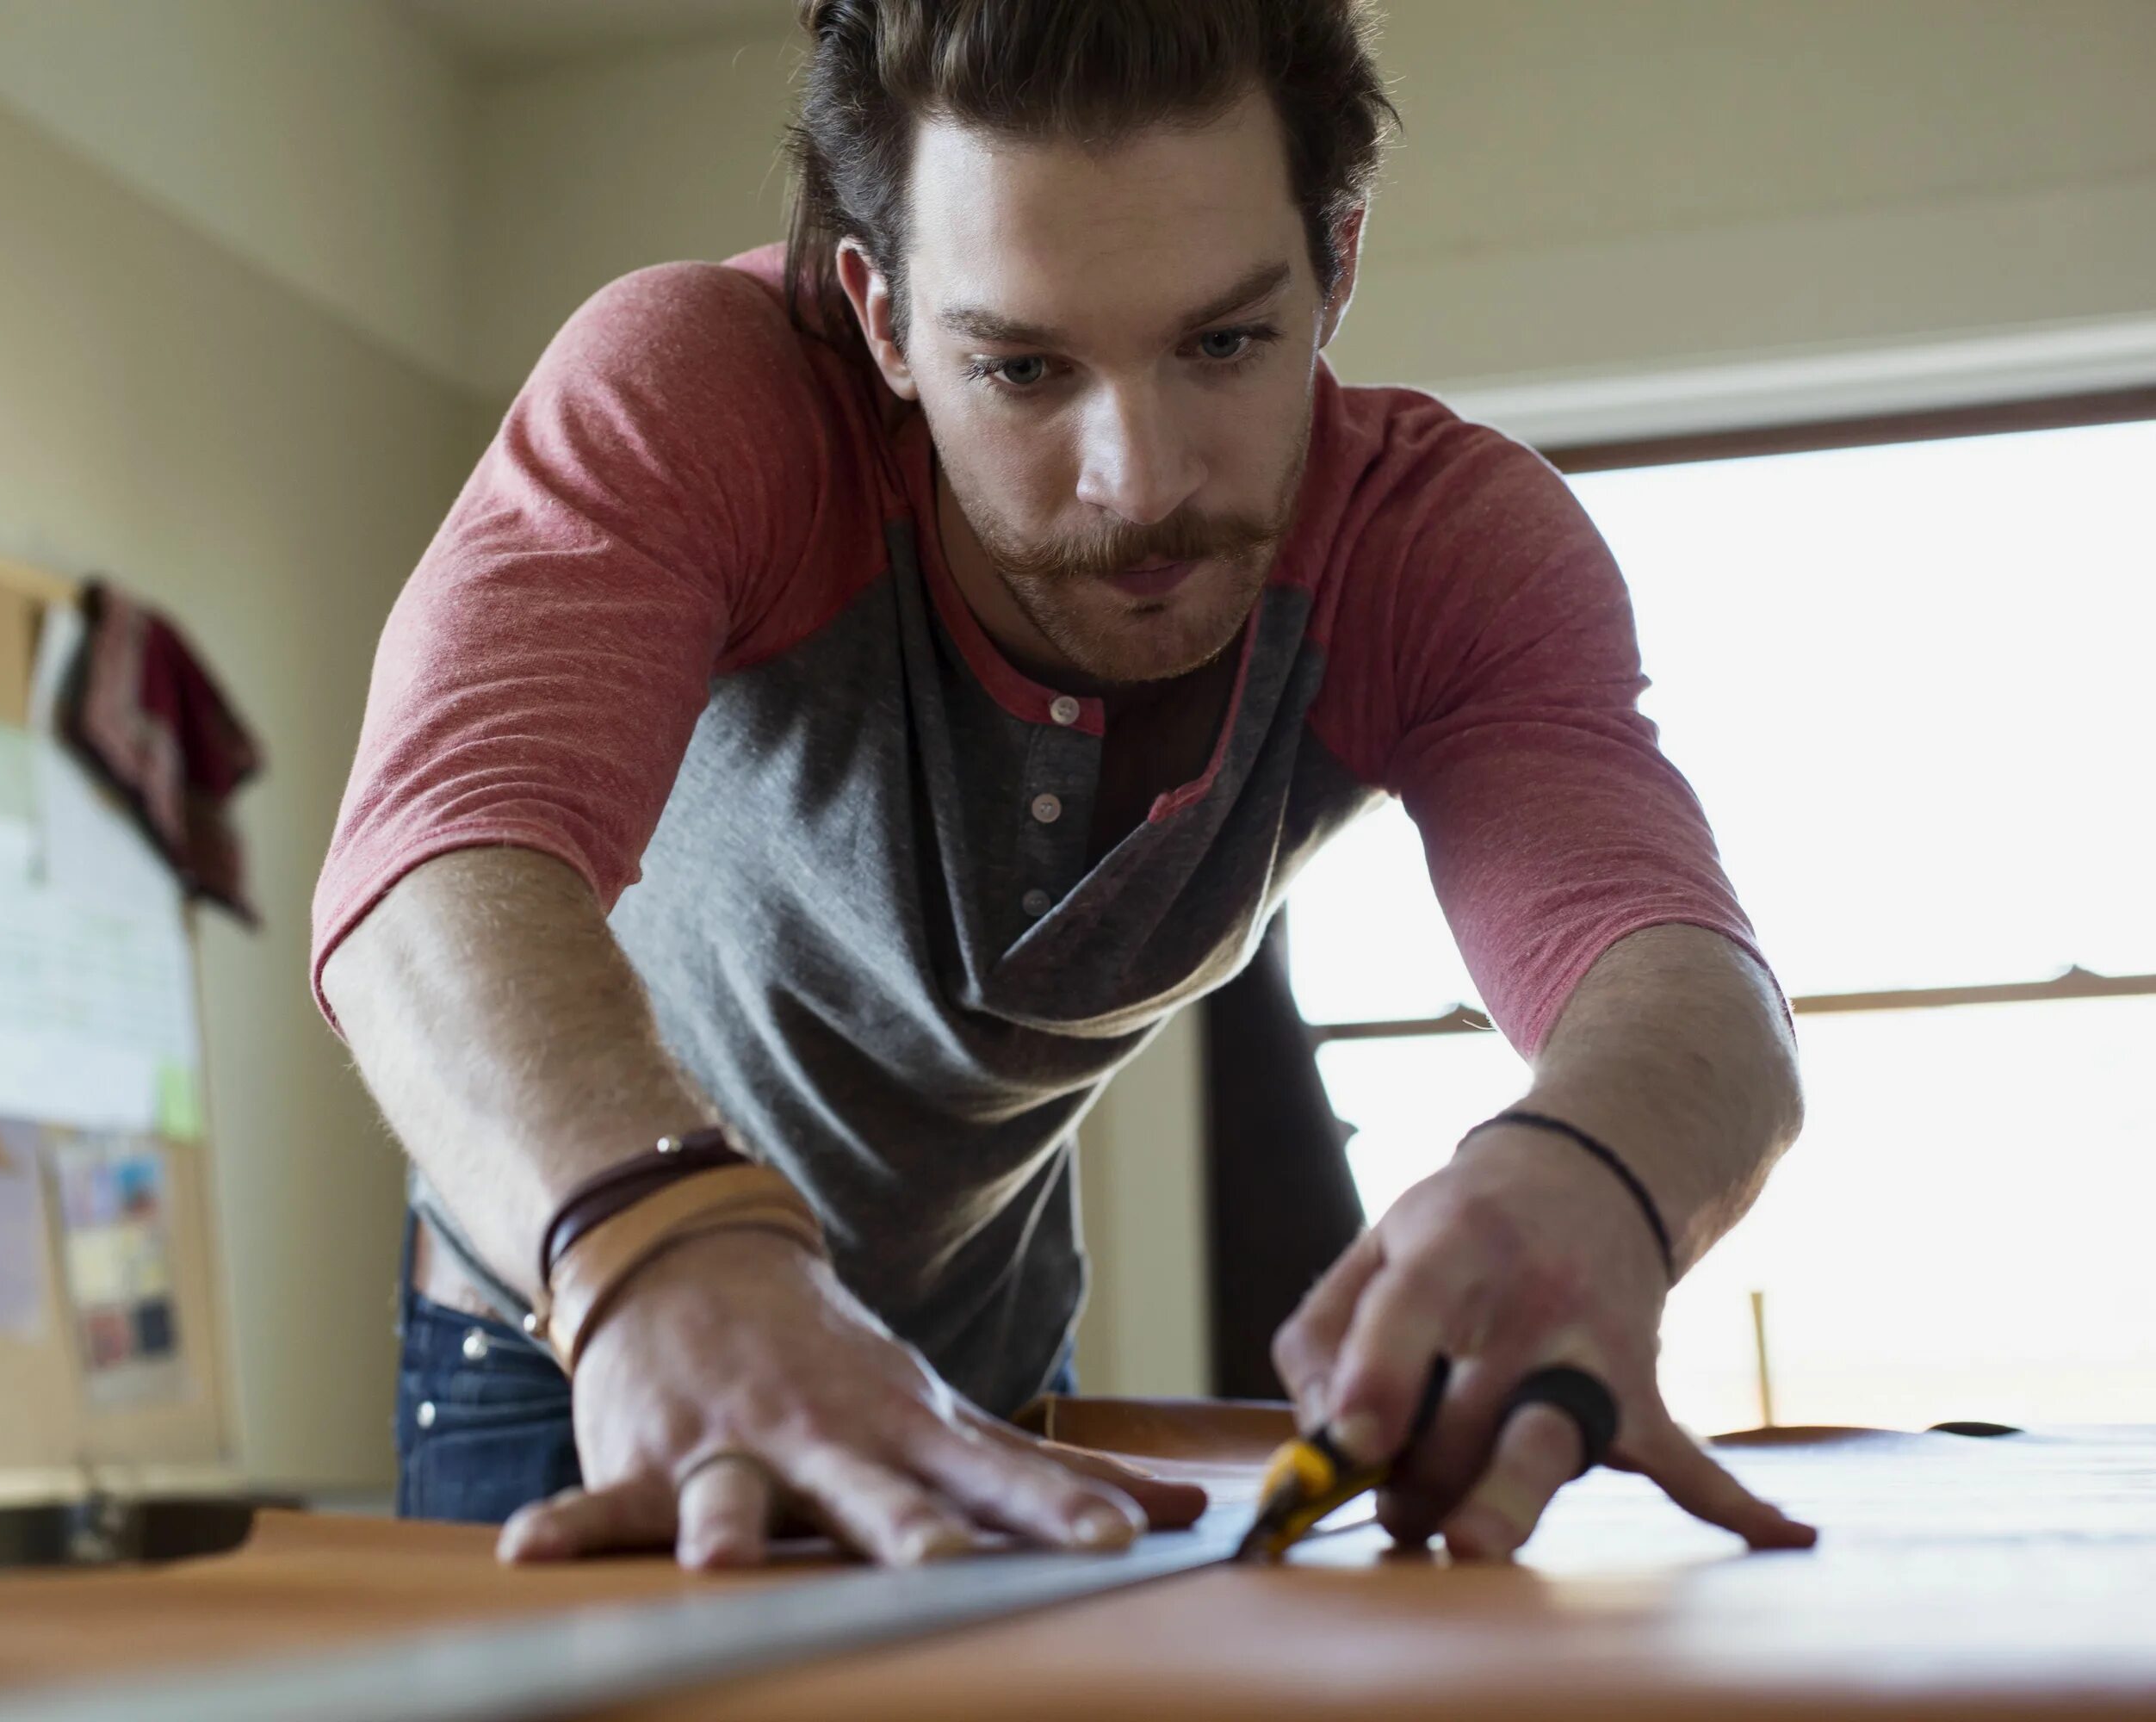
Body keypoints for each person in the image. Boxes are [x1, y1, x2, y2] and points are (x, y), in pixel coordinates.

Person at [315, 0, 1818, 1571]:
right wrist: (655, 1245)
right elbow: (436, 854)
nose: (1143, 480)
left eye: (1226, 344)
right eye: (1025, 369)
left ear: (1338, 268)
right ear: (884, 322)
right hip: (579, 1305)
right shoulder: (703, 392)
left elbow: (1683, 981)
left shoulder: (1440, 549)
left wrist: (1590, 1170)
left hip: (987, 1358)